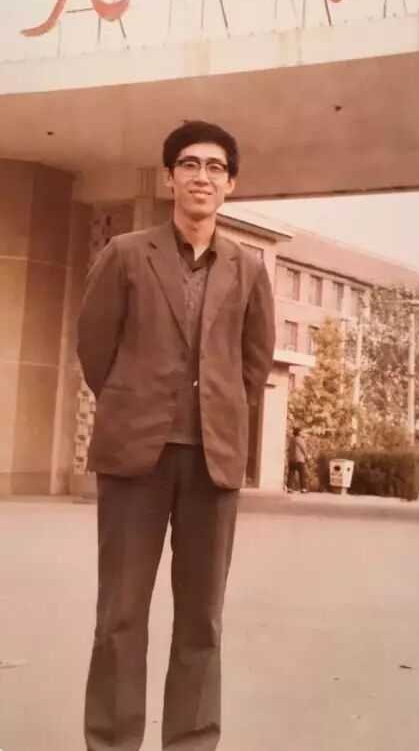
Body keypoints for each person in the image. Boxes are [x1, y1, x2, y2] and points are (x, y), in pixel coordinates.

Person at [78, 120, 275, 751]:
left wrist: (218, 414)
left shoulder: (248, 269)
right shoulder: (126, 254)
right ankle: (112, 743)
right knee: (120, 616)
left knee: (201, 620)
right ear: (169, 178)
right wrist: (135, 405)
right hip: (135, 460)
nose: (201, 177)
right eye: (189, 165)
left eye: (215, 168)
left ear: (230, 183)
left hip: (212, 464)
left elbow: (254, 365)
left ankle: (191, 742)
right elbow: (94, 350)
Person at [287, 426, 309, 493]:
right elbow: (303, 449)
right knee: (302, 474)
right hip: (299, 459)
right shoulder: (300, 440)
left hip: (292, 459)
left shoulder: (291, 439)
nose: (303, 433)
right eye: (302, 432)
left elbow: (289, 449)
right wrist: (306, 456)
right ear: (299, 433)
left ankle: (289, 488)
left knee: (291, 474)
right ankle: (303, 488)